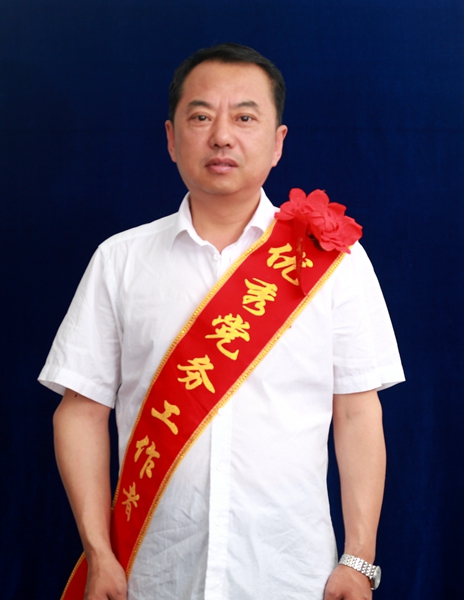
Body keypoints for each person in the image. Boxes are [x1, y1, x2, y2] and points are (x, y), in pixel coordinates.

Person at [39, 43, 404, 600]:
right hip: (149, 575)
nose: (222, 136)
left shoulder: (334, 261)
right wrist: (99, 553)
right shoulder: (120, 260)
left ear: (278, 142)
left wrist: (360, 559)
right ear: (171, 138)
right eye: (201, 117)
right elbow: (81, 410)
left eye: (245, 118)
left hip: (292, 575)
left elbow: (357, 413)